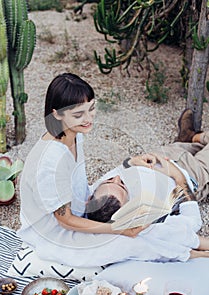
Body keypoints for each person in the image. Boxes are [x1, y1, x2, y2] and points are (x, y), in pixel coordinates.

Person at [18, 98, 209, 267]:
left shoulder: (98, 194)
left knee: (186, 145)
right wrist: (179, 177)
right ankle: (197, 138)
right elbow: (188, 231)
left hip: (162, 155)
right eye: (121, 185)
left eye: (111, 179)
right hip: (192, 173)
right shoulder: (145, 219)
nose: (118, 178)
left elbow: (115, 174)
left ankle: (191, 138)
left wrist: (130, 163)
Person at [18, 72, 143, 267]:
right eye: (78, 114)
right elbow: (65, 220)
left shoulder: (74, 133)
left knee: (140, 176)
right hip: (55, 236)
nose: (88, 119)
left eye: (91, 108)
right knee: (136, 243)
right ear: (57, 114)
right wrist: (118, 229)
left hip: (80, 210)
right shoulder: (50, 163)